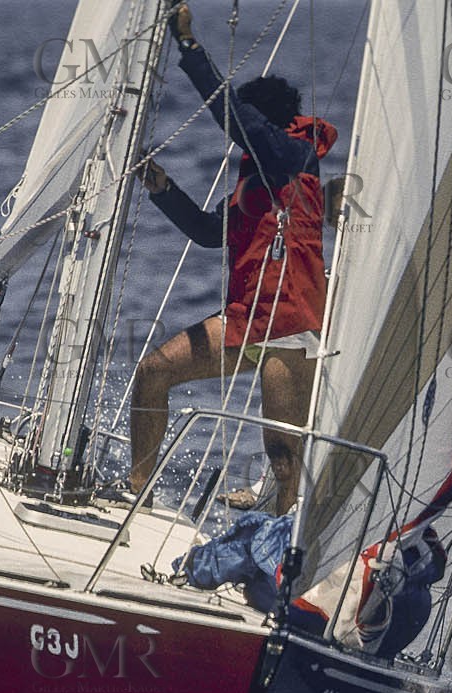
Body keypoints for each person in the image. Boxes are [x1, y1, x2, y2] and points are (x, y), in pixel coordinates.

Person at [120, 2, 337, 515]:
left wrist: (189, 47)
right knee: (153, 372)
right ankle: (137, 493)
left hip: (290, 323)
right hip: (246, 317)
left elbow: (233, 117)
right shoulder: (253, 179)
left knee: (283, 457)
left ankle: (280, 541)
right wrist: (162, 187)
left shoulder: (292, 157)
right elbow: (204, 231)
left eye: (251, 125)